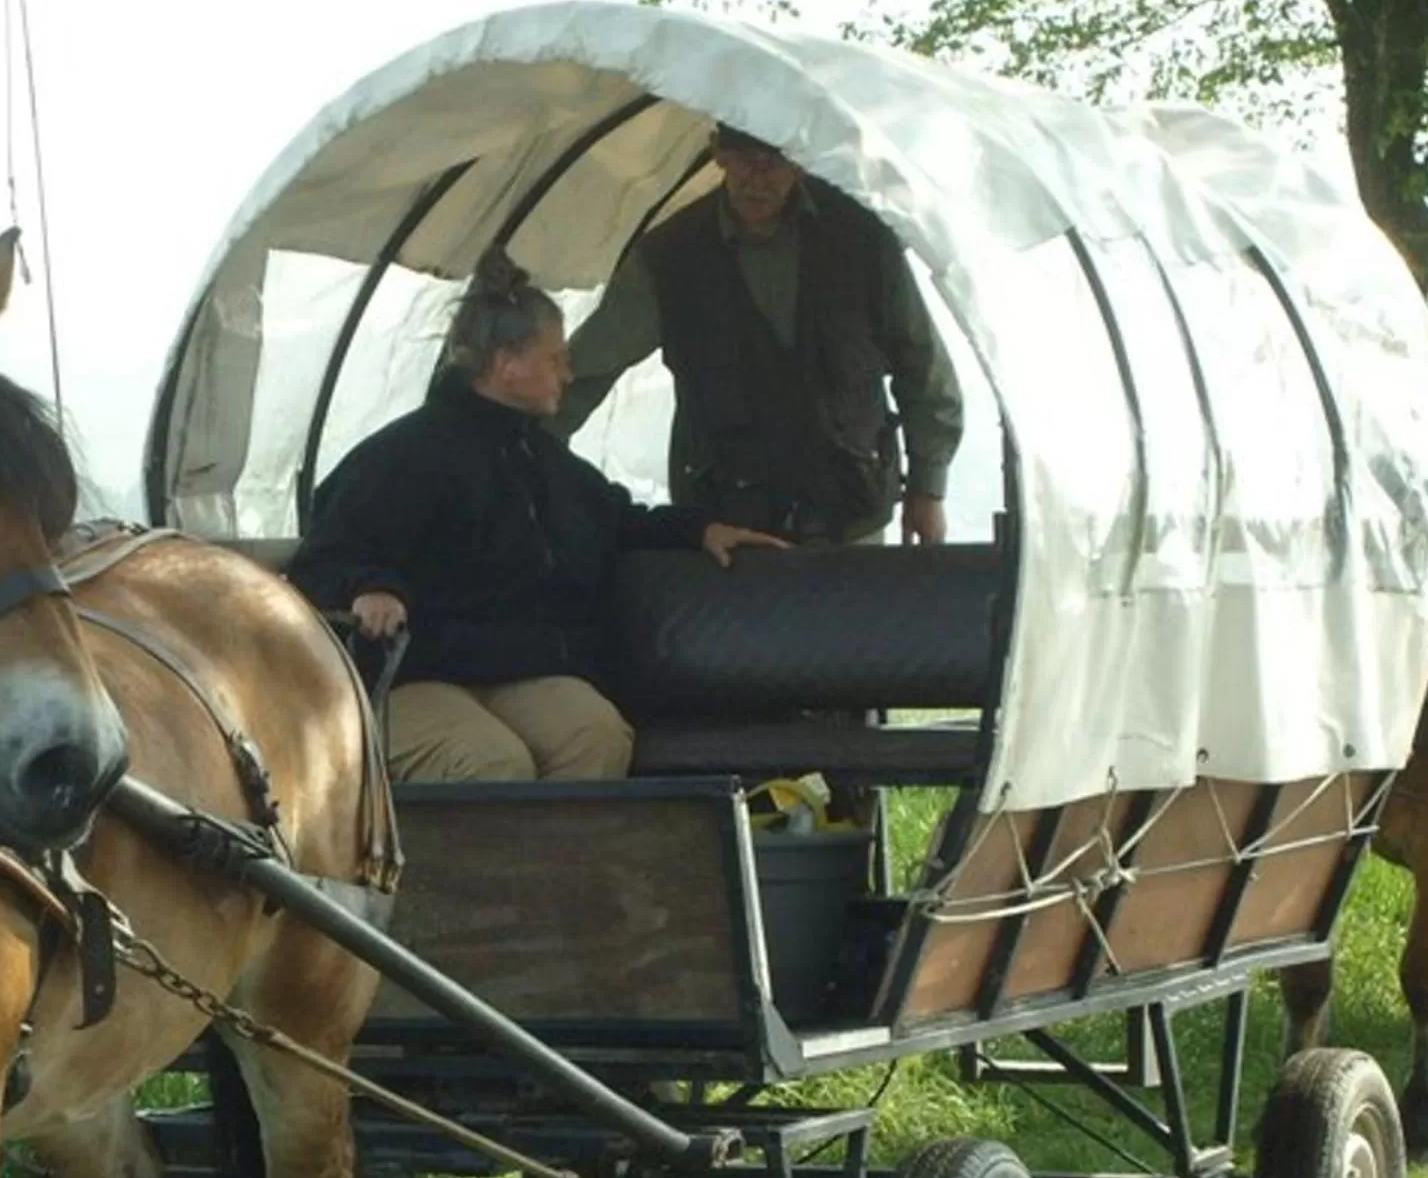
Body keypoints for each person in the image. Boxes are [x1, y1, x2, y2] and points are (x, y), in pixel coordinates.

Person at [289, 249, 786, 784]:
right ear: (507, 365)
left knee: (596, 737)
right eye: (555, 359)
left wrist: (700, 529)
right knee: (489, 763)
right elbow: (326, 557)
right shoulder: (401, 458)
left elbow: (614, 520)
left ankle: (565, 868)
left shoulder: (541, 459)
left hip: (517, 671)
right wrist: (370, 586)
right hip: (411, 675)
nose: (568, 374)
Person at [550, 121, 964, 547]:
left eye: (774, 163)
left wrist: (928, 489)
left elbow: (921, 362)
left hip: (848, 510)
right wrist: (522, 461)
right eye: (745, 162)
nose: (758, 180)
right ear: (718, 153)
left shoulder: (861, 238)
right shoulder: (670, 258)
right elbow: (583, 371)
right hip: (727, 524)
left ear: (802, 161)